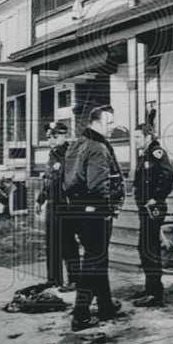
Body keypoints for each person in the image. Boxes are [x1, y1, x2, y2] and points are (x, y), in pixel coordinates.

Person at [62, 105, 126, 331]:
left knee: (98, 260)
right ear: (96, 124)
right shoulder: (97, 147)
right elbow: (98, 185)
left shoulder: (75, 144)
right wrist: (106, 210)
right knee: (93, 263)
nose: (113, 128)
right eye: (109, 123)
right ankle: (80, 314)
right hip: (95, 213)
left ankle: (106, 305)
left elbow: (66, 180)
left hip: (76, 211)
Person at [132, 121, 173, 307]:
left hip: (153, 208)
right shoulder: (145, 155)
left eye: (138, 137)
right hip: (145, 208)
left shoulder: (157, 152)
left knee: (149, 249)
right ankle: (151, 289)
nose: (135, 141)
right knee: (145, 248)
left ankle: (155, 294)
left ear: (149, 137)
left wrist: (156, 197)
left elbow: (168, 176)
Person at [35, 121, 79, 290]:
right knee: (51, 243)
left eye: (55, 136)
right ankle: (53, 279)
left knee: (68, 243)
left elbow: (73, 181)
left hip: (65, 205)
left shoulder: (71, 154)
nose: (51, 140)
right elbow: (49, 179)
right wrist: (40, 199)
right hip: (52, 204)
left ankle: (74, 280)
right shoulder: (53, 154)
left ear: (64, 135)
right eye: (49, 138)